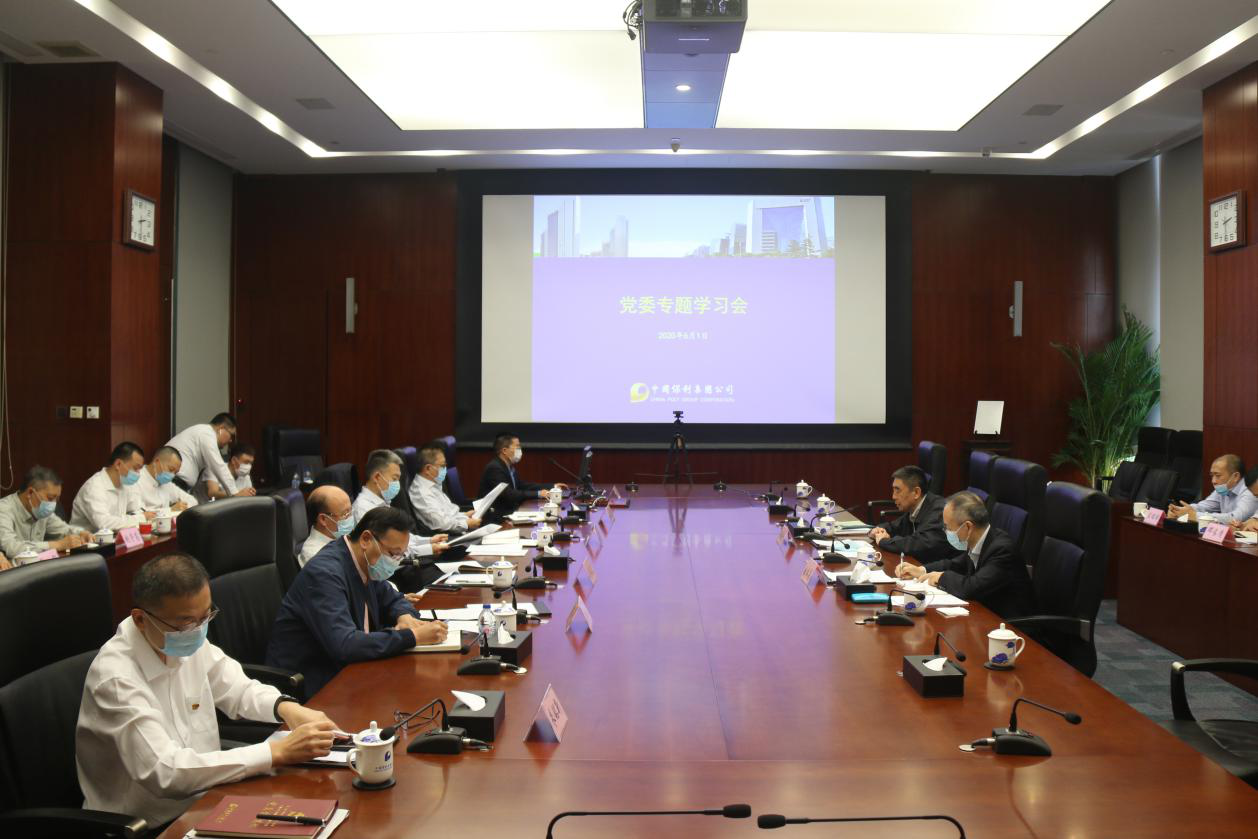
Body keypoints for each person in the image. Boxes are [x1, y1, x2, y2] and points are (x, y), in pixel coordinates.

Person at [76, 553, 339, 828]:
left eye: (205, 617)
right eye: (187, 623)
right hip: (149, 824)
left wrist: (288, 708)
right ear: (141, 619)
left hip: (210, 797)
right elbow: (166, 772)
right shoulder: (116, 678)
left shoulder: (181, 638)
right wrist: (276, 752)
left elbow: (237, 689)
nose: (198, 631)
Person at [266, 506, 447, 695]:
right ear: (366, 539)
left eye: (401, 555)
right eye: (393, 554)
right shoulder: (324, 574)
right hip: (313, 684)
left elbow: (395, 599)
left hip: (352, 671)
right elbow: (345, 644)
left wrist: (404, 617)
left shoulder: (365, 562)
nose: (396, 561)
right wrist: (413, 636)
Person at [894, 490, 1033, 619]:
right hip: (985, 615)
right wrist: (921, 570)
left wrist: (941, 578)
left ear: (967, 527)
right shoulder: (979, 540)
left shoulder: (1002, 549)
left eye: (948, 527)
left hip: (1011, 626)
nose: (946, 532)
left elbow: (972, 587)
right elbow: (954, 564)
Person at [352, 448, 447, 558]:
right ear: (377, 477)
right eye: (394, 479)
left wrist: (429, 540)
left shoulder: (382, 503)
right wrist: (429, 549)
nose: (398, 485)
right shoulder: (364, 509)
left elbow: (401, 538)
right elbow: (389, 551)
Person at [0, 465, 91, 564]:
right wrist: (58, 545)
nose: (54, 504)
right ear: (30, 493)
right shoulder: (3, 509)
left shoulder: (41, 511)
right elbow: (11, 547)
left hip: (37, 567)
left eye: (57, 499)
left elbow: (64, 530)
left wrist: (81, 533)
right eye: (51, 498)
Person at [867, 465, 951, 561]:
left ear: (916, 492)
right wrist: (876, 531)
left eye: (897, 490)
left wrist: (884, 541)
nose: (893, 496)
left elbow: (917, 543)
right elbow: (893, 527)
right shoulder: (914, 508)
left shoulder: (939, 510)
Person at [70, 442, 156, 532]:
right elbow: (104, 523)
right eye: (135, 468)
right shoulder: (94, 487)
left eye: (139, 469)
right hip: (87, 539)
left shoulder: (125, 484)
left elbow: (137, 508)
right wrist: (141, 518)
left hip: (115, 536)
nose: (138, 473)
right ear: (118, 464)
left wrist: (143, 515)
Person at [477, 432, 565, 518]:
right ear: (505, 451)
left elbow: (521, 485)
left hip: (509, 511)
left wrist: (552, 486)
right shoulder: (495, 468)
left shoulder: (508, 466)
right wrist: (538, 494)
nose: (520, 450)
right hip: (496, 516)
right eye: (517, 447)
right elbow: (509, 494)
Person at [409, 441, 482, 534]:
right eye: (442, 466)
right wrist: (467, 523)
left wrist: (465, 515)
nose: (445, 470)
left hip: (456, 529)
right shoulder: (421, 493)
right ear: (428, 469)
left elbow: (448, 514)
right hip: (446, 537)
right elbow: (442, 524)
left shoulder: (433, 483)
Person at [1168, 454, 1257, 524]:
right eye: (1212, 476)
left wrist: (1195, 516)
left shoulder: (1250, 490)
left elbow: (1236, 518)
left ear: (1236, 476)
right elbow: (1204, 506)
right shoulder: (1223, 488)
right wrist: (1179, 510)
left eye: (1218, 476)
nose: (1213, 481)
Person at [166, 413, 238, 499]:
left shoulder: (204, 433)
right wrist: (235, 494)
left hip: (176, 484)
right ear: (221, 429)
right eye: (231, 435)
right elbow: (219, 467)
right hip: (173, 482)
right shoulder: (207, 434)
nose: (230, 440)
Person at [301, 485, 354, 566]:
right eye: (345, 514)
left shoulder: (342, 538)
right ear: (323, 519)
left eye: (350, 511)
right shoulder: (315, 555)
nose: (350, 517)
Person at [135, 446, 197, 512]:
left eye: (175, 472)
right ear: (157, 461)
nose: (172, 476)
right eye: (171, 469)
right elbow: (139, 513)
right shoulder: (137, 480)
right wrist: (170, 510)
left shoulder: (167, 484)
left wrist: (184, 506)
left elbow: (193, 501)